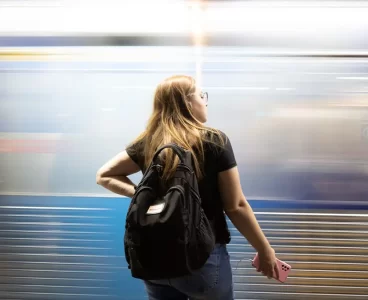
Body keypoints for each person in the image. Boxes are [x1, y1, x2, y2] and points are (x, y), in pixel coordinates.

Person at [96, 75, 279, 300]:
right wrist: (264, 248)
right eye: (202, 95)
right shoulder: (214, 140)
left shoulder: (149, 142)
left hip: (155, 260)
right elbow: (236, 206)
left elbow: (104, 175)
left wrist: (145, 196)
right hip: (202, 260)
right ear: (187, 101)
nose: (206, 101)